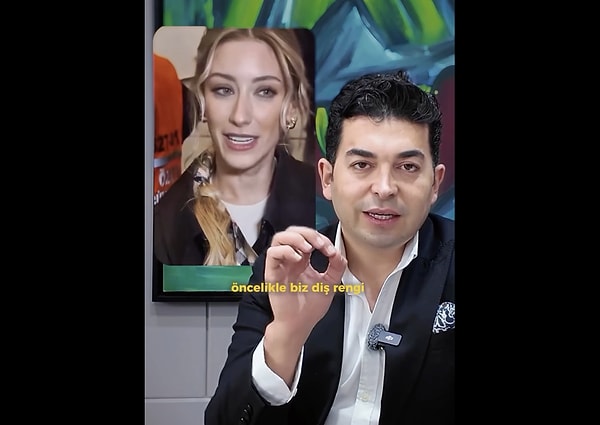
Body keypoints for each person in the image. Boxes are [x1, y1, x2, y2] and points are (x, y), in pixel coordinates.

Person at [205, 70, 455, 424]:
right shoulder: (285, 270)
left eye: (408, 166)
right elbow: (224, 419)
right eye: (362, 165)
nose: (384, 188)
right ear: (327, 177)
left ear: (435, 184)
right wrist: (287, 335)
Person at [153, 28, 315, 266]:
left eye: (264, 91)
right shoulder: (164, 226)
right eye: (224, 90)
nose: (240, 116)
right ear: (202, 102)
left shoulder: (326, 200)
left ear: (290, 107)